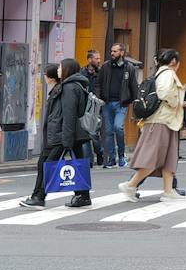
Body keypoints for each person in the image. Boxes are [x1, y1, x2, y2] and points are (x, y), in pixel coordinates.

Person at [19, 59, 93, 209]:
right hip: (69, 133)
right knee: (78, 164)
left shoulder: (69, 87)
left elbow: (69, 114)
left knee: (48, 165)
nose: (58, 69)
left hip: (63, 134)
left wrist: (67, 140)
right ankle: (83, 196)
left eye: (60, 67)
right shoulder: (75, 85)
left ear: (67, 69)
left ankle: (39, 197)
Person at [120, 49, 185, 201]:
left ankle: (168, 191)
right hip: (160, 121)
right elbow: (164, 93)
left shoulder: (161, 73)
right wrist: (175, 103)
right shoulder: (168, 73)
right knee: (153, 158)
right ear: (174, 62)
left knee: (168, 159)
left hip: (166, 121)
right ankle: (130, 185)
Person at [94, 42, 138, 169]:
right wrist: (99, 97)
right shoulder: (106, 66)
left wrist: (135, 103)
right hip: (106, 103)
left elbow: (134, 86)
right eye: (111, 51)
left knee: (118, 127)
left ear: (122, 53)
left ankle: (122, 156)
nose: (112, 53)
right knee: (108, 131)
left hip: (121, 103)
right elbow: (98, 83)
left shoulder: (129, 68)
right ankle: (112, 159)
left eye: (115, 51)